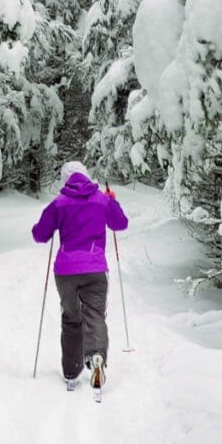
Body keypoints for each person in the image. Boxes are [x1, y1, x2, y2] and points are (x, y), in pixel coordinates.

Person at [31, 161, 128, 390]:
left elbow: (39, 234)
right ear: (86, 176)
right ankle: (96, 358)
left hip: (65, 272)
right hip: (95, 269)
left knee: (71, 318)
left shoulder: (59, 203)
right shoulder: (101, 199)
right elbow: (120, 223)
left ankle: (71, 371)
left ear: (66, 180)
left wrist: (54, 223)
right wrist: (112, 201)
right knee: (95, 315)